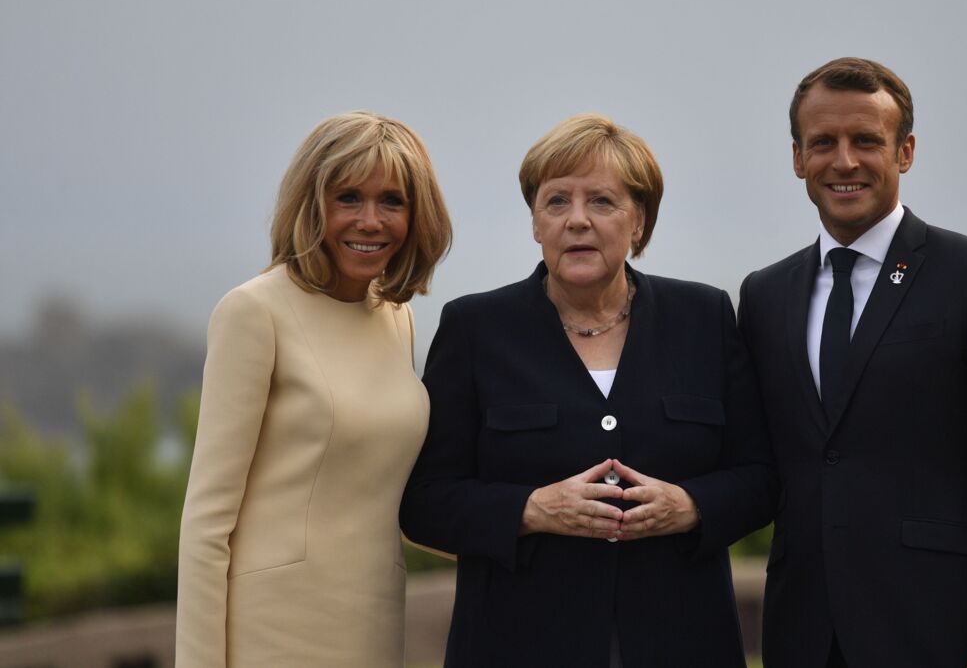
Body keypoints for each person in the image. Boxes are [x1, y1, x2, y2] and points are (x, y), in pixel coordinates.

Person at [400, 113, 775, 668]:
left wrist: (691, 506)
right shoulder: (475, 328)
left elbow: (762, 476)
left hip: (684, 642)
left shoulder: (704, 317)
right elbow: (424, 501)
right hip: (515, 645)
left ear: (640, 221)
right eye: (556, 202)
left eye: (601, 201)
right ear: (534, 221)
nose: (577, 221)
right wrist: (531, 509)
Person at [738, 58, 967, 668]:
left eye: (866, 141)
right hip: (803, 635)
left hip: (942, 634)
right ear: (798, 158)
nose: (845, 161)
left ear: (905, 152)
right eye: (823, 143)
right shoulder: (764, 295)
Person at [176, 111, 452, 667]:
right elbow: (206, 523)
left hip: (374, 623)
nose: (370, 221)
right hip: (273, 631)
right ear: (311, 203)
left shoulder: (396, 317)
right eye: (348, 197)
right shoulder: (254, 311)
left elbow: (393, 494)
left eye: (392, 201)